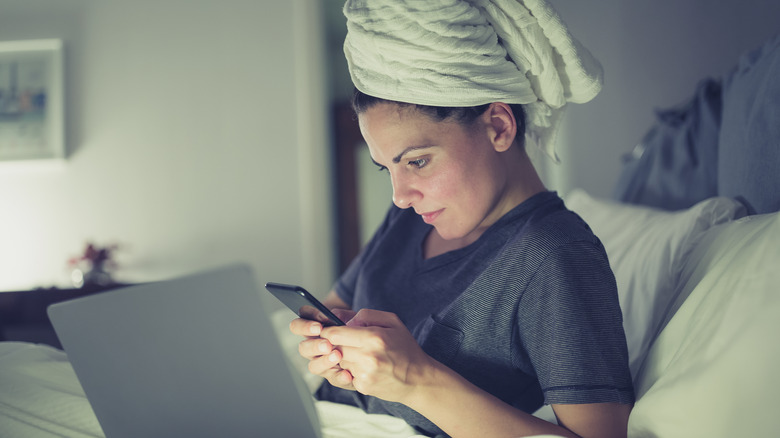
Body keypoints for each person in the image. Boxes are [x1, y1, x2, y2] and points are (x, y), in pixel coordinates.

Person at [290, 1, 635, 437]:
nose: (399, 197)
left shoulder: (555, 256)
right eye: (386, 168)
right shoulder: (418, 216)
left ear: (498, 125)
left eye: (416, 162)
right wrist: (334, 346)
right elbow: (339, 304)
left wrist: (415, 381)